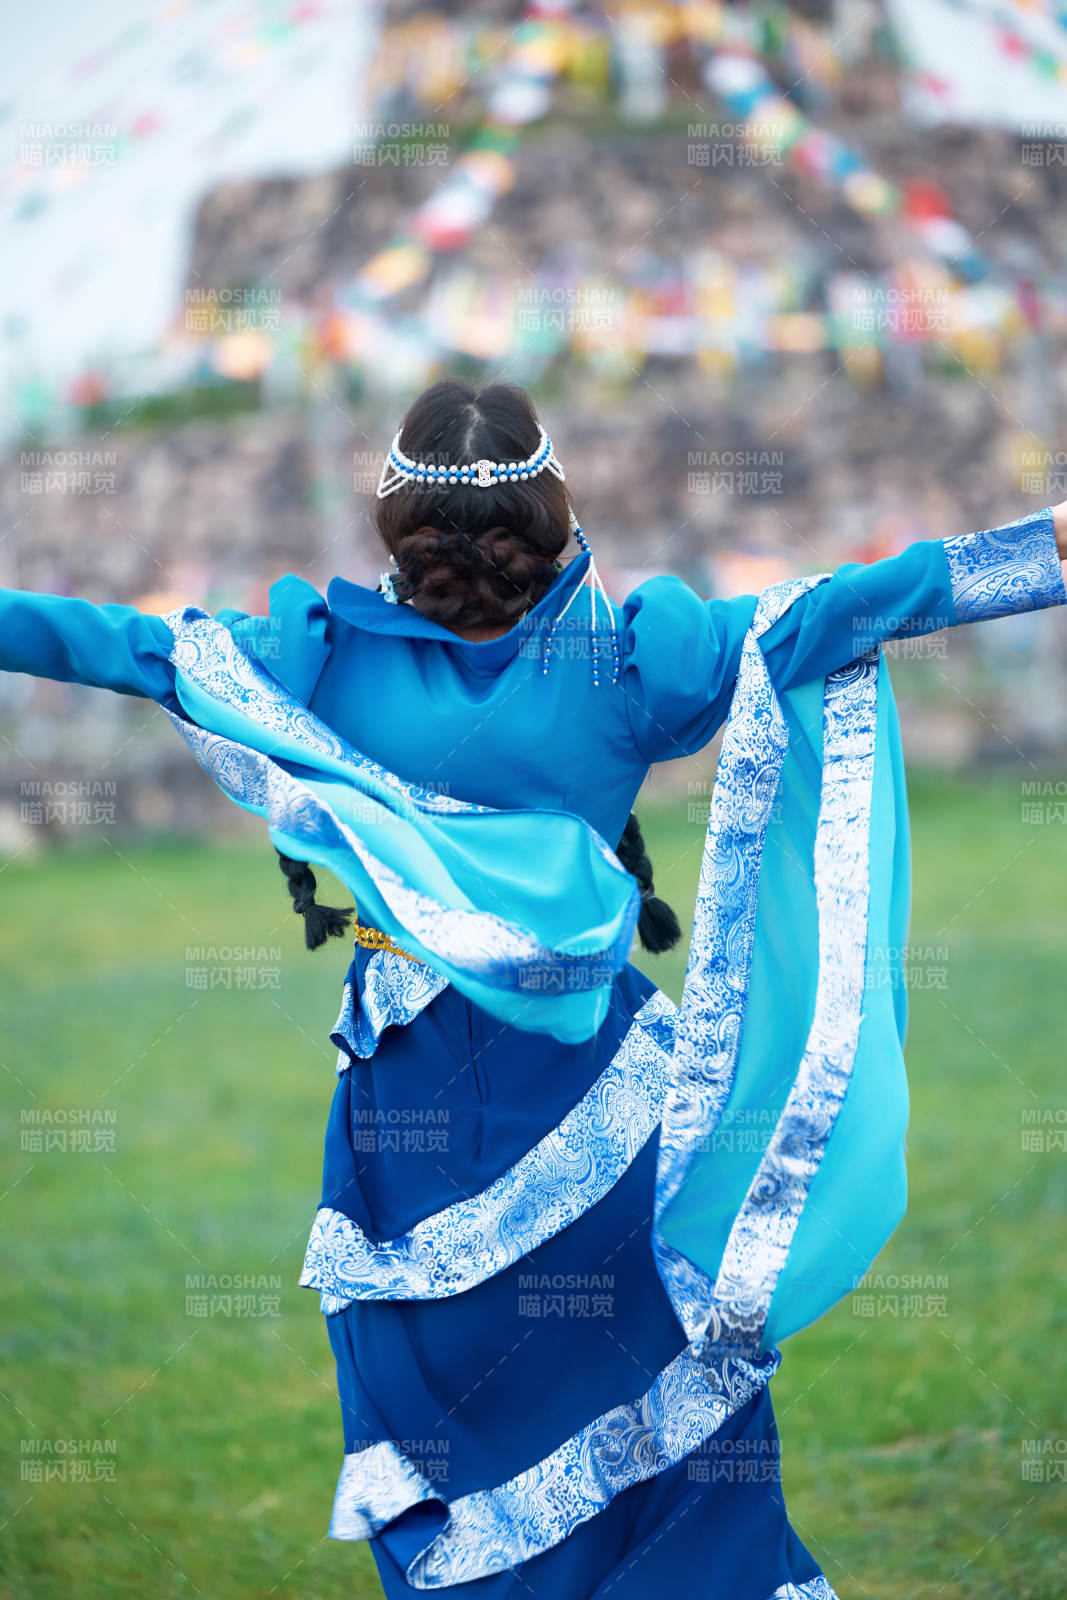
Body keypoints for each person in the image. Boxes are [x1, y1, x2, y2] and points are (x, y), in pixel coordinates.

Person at [1, 378, 1065, 1599]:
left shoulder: (313, 662)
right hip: (604, 1115)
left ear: (395, 521)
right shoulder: (633, 661)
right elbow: (837, 609)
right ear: (551, 507)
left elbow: (103, 641)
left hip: (410, 1138)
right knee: (660, 1414)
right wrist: (1037, 550)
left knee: (454, 1430)